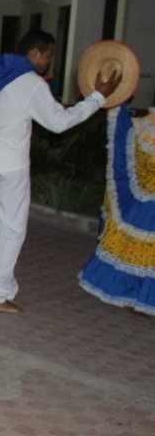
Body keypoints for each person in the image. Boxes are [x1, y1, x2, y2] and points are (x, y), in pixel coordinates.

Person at [0, 30, 118, 313]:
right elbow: (59, 121)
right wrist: (97, 98)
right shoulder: (32, 83)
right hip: (10, 163)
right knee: (11, 229)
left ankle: (3, 288)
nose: (48, 62)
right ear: (36, 53)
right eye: (48, 55)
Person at [78, 105, 155, 318]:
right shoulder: (149, 125)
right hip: (151, 196)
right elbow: (134, 147)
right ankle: (139, 297)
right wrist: (118, 109)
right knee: (145, 250)